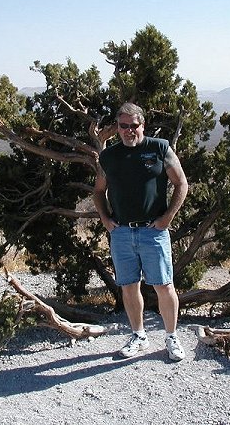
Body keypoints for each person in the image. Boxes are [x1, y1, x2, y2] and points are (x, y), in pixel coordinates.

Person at [93, 102, 189, 361]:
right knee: (129, 286)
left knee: (164, 285)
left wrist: (167, 218)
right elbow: (99, 190)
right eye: (123, 126)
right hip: (122, 233)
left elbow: (181, 183)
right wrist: (105, 219)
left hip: (153, 232)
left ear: (142, 125)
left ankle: (171, 337)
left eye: (133, 125)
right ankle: (139, 336)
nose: (129, 130)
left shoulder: (160, 148)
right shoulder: (109, 157)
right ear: (117, 128)